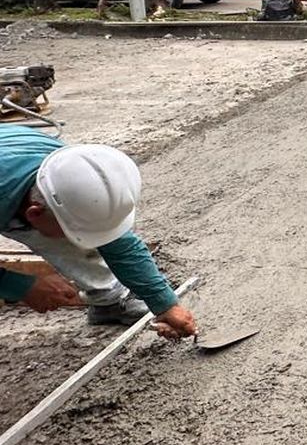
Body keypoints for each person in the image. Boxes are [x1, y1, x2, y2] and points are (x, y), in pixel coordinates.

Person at [0, 125, 197, 339]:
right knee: (62, 231)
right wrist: (18, 286)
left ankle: (108, 300)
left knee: (65, 229)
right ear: (34, 214)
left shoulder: (69, 174)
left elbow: (118, 243)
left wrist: (165, 304)